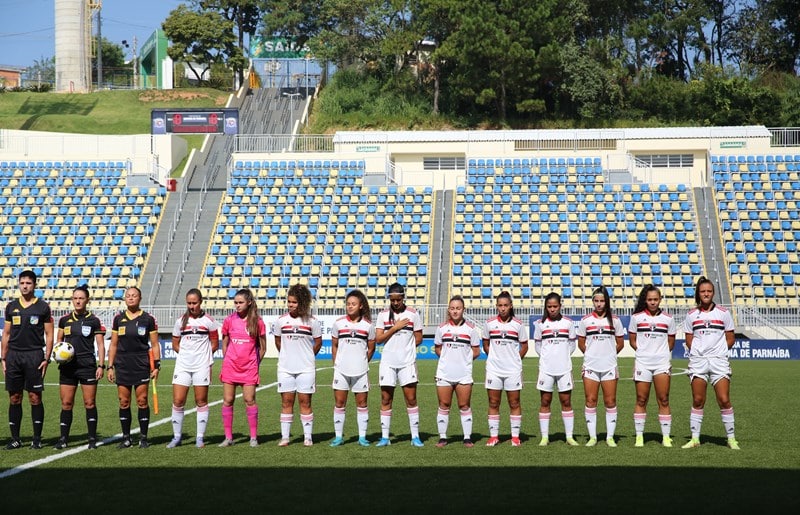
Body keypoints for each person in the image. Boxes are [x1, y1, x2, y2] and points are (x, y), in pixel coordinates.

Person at [682, 277, 739, 450]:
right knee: (698, 400)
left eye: (709, 291)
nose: (706, 294)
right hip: (698, 362)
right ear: (698, 294)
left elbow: (730, 339)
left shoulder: (723, 313)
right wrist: (700, 353)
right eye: (702, 291)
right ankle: (695, 439)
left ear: (713, 293)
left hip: (719, 362)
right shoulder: (691, 315)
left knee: (724, 399)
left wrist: (718, 352)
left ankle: (731, 439)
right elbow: (689, 340)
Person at [1, 270, 54, 450]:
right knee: (14, 397)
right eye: (22, 283)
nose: (25, 286)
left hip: (34, 355)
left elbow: (49, 334)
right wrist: (3, 358)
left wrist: (47, 358)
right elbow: (6, 334)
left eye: (28, 283)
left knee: (34, 397)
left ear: (35, 285)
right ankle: (15, 439)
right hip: (14, 355)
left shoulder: (43, 307)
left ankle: (37, 438)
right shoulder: (11, 307)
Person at [107, 286, 160, 449]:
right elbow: (114, 344)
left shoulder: (148, 319)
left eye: (134, 295)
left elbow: (155, 344)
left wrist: (157, 365)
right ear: (125, 299)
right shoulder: (118, 319)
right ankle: (126, 438)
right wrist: (110, 366)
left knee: (142, 401)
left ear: (140, 298)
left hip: (141, 364)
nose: (131, 298)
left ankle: (143, 437)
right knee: (124, 402)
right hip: (122, 364)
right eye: (128, 296)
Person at [167, 289, 221, 449]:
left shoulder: (209, 321)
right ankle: (177, 437)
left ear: (200, 302)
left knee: (201, 401)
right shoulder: (180, 321)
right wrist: (186, 355)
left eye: (194, 303)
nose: (191, 306)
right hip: (183, 366)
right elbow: (175, 343)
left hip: (201, 367)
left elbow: (214, 343)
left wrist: (203, 358)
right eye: (189, 303)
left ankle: (199, 438)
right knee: (178, 401)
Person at [54, 285, 106, 450]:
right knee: (66, 403)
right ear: (72, 300)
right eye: (75, 298)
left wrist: (101, 365)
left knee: (89, 403)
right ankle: (63, 439)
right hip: (68, 367)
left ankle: (92, 439)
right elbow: (59, 342)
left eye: (81, 298)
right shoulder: (64, 320)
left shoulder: (94, 320)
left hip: (87, 366)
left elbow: (100, 344)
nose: (78, 301)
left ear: (87, 300)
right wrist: (59, 354)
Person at [375, 282, 424, 447]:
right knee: (385, 399)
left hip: (407, 363)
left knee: (411, 399)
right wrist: (395, 328)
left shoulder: (413, 314)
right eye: (392, 300)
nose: (395, 303)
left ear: (403, 297)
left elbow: (418, 338)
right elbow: (379, 339)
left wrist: (406, 350)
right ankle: (384, 437)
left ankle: (415, 436)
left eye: (398, 299)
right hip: (387, 363)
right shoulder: (382, 315)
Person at [273, 284, 322, 447]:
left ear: (302, 303)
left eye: (294, 302)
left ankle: (308, 437)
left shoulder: (312, 322)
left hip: (306, 369)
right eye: (289, 302)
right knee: (286, 402)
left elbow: (318, 342)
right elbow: (278, 341)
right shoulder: (280, 321)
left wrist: (308, 356)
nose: (290, 305)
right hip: (285, 368)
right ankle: (285, 437)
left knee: (305, 402)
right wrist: (287, 356)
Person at [629, 284, 676, 448]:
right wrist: (644, 352)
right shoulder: (637, 318)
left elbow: (671, 343)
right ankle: (639, 436)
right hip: (643, 362)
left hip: (662, 363)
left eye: (655, 299)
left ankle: (665, 437)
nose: (653, 302)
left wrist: (659, 354)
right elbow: (633, 340)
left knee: (663, 399)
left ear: (660, 299)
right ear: (645, 300)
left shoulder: (668, 319)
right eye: (649, 299)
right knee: (641, 399)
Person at [577, 286, 625, 447]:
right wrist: (592, 355)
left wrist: (608, 355)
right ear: (593, 302)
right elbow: (581, 343)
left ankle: (610, 437)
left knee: (610, 401)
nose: (599, 304)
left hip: (609, 366)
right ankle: (593, 437)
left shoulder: (615, 321)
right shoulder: (585, 321)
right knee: (590, 400)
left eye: (602, 301)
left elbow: (620, 344)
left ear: (607, 302)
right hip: (590, 366)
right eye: (596, 301)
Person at [219, 288, 267, 448]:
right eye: (235, 303)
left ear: (249, 303)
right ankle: (228, 438)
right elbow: (225, 342)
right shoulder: (229, 320)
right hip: (231, 367)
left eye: (240, 303)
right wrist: (228, 359)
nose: (237, 306)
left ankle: (253, 437)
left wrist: (254, 363)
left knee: (250, 400)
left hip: (249, 369)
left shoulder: (258, 322)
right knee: (228, 401)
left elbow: (263, 347)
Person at [329, 289, 376, 447]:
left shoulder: (368, 326)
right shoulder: (339, 323)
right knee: (339, 403)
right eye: (348, 304)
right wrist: (336, 363)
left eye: (353, 304)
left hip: (361, 371)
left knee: (362, 404)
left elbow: (371, 348)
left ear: (361, 306)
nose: (350, 306)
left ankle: (362, 437)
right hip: (341, 370)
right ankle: (338, 437)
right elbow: (334, 345)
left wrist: (363, 362)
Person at [434, 295, 481, 448]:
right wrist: (448, 359)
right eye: (452, 308)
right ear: (449, 309)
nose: (455, 311)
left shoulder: (471, 329)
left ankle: (467, 437)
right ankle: (442, 437)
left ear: (463, 310)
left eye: (458, 308)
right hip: (444, 373)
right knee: (444, 404)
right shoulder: (441, 328)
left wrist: (464, 361)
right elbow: (438, 348)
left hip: (464, 374)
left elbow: (476, 351)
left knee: (464, 405)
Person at [533, 292, 578, 447]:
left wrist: (562, 356)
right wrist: (548, 358)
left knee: (566, 401)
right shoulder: (540, 323)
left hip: (564, 368)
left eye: (555, 306)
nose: (552, 309)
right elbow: (538, 345)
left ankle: (569, 436)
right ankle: (545, 437)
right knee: (545, 401)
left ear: (560, 306)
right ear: (546, 307)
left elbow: (572, 345)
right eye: (549, 306)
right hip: (546, 369)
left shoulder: (568, 323)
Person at [483, 290, 528, 447]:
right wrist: (495, 358)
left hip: (513, 370)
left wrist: (515, 360)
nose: (502, 308)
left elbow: (525, 346)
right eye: (500, 305)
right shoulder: (489, 324)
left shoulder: (518, 325)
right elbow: (486, 344)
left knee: (514, 402)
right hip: (494, 370)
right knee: (493, 402)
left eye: (505, 305)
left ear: (510, 306)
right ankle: (494, 436)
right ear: (496, 306)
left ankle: (515, 436)